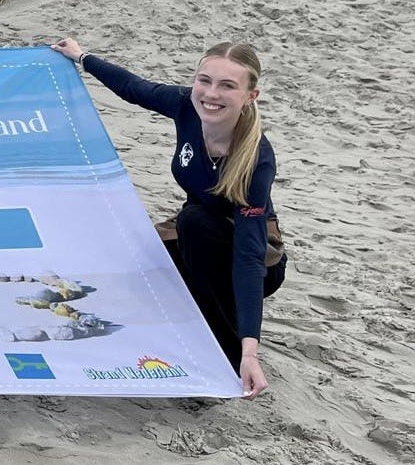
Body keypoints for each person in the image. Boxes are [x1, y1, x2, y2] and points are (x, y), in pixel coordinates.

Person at [50, 38, 285, 398]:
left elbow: (250, 256)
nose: (211, 93)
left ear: (250, 96)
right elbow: (134, 88)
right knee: (136, 264)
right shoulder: (187, 105)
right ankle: (190, 314)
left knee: (196, 224)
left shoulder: (257, 158)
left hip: (250, 255)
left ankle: (222, 352)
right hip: (193, 233)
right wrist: (83, 57)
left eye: (227, 86)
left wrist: (249, 350)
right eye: (204, 80)